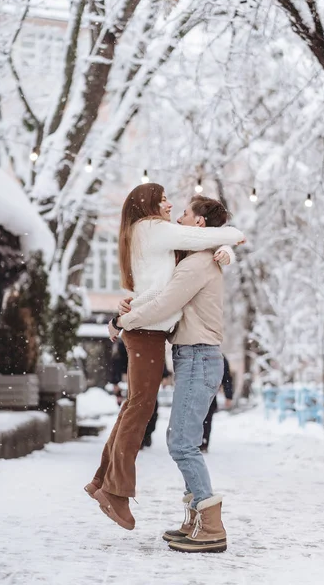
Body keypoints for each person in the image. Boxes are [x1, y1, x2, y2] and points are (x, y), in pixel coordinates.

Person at [84, 183, 244, 532]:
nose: (173, 208)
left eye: (183, 210)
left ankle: (110, 486)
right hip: (154, 333)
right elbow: (164, 296)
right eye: (165, 201)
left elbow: (164, 294)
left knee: (143, 411)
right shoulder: (156, 230)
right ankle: (114, 490)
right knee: (142, 409)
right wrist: (121, 319)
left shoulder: (186, 255)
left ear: (199, 224)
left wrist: (226, 248)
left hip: (173, 341)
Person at [200, 355, 233, 452]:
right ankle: (196, 443)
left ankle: (203, 443)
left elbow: (226, 377)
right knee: (199, 420)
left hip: (209, 394)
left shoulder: (219, 356)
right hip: (197, 393)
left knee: (206, 419)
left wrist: (228, 395)